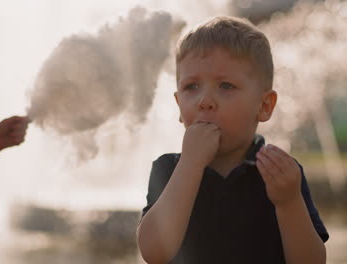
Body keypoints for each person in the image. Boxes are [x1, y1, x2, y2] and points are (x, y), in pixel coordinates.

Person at [137, 16, 329, 264]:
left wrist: (289, 202)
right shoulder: (169, 170)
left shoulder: (279, 174)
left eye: (225, 86)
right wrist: (190, 165)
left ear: (264, 105)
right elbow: (155, 253)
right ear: (177, 104)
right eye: (191, 87)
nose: (204, 101)